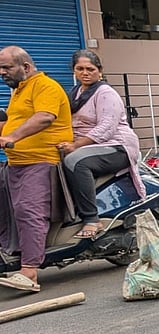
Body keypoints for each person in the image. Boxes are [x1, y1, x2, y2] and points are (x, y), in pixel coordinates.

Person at [0, 46, 73, 293]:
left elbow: (44, 117)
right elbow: (12, 121)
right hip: (16, 163)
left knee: (28, 210)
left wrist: (12, 137)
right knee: (6, 209)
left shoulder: (45, 86)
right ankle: (12, 254)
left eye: (7, 67)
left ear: (26, 67)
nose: (2, 73)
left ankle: (29, 272)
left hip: (41, 161)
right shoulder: (18, 92)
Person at [57, 49, 146, 241]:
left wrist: (76, 145)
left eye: (90, 69)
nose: (85, 73)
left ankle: (91, 219)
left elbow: (107, 127)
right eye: (80, 69)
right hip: (90, 146)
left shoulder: (105, 93)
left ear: (100, 71)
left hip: (117, 146)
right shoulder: (75, 93)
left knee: (76, 162)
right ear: (74, 71)